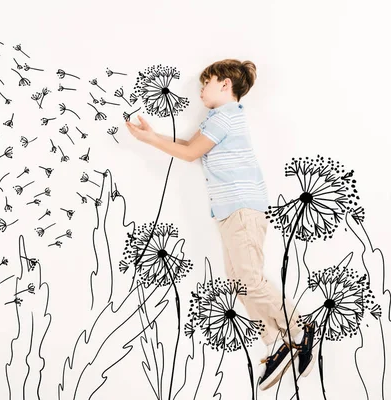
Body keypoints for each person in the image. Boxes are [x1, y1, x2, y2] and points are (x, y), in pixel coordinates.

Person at [125, 58, 317, 390]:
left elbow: (187, 154)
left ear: (225, 85)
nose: (202, 88)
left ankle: (300, 329)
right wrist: (154, 134)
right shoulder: (218, 118)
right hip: (231, 212)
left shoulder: (226, 117)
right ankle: (282, 340)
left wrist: (149, 141)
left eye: (207, 82)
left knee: (250, 281)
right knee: (239, 283)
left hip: (242, 210)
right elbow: (191, 148)